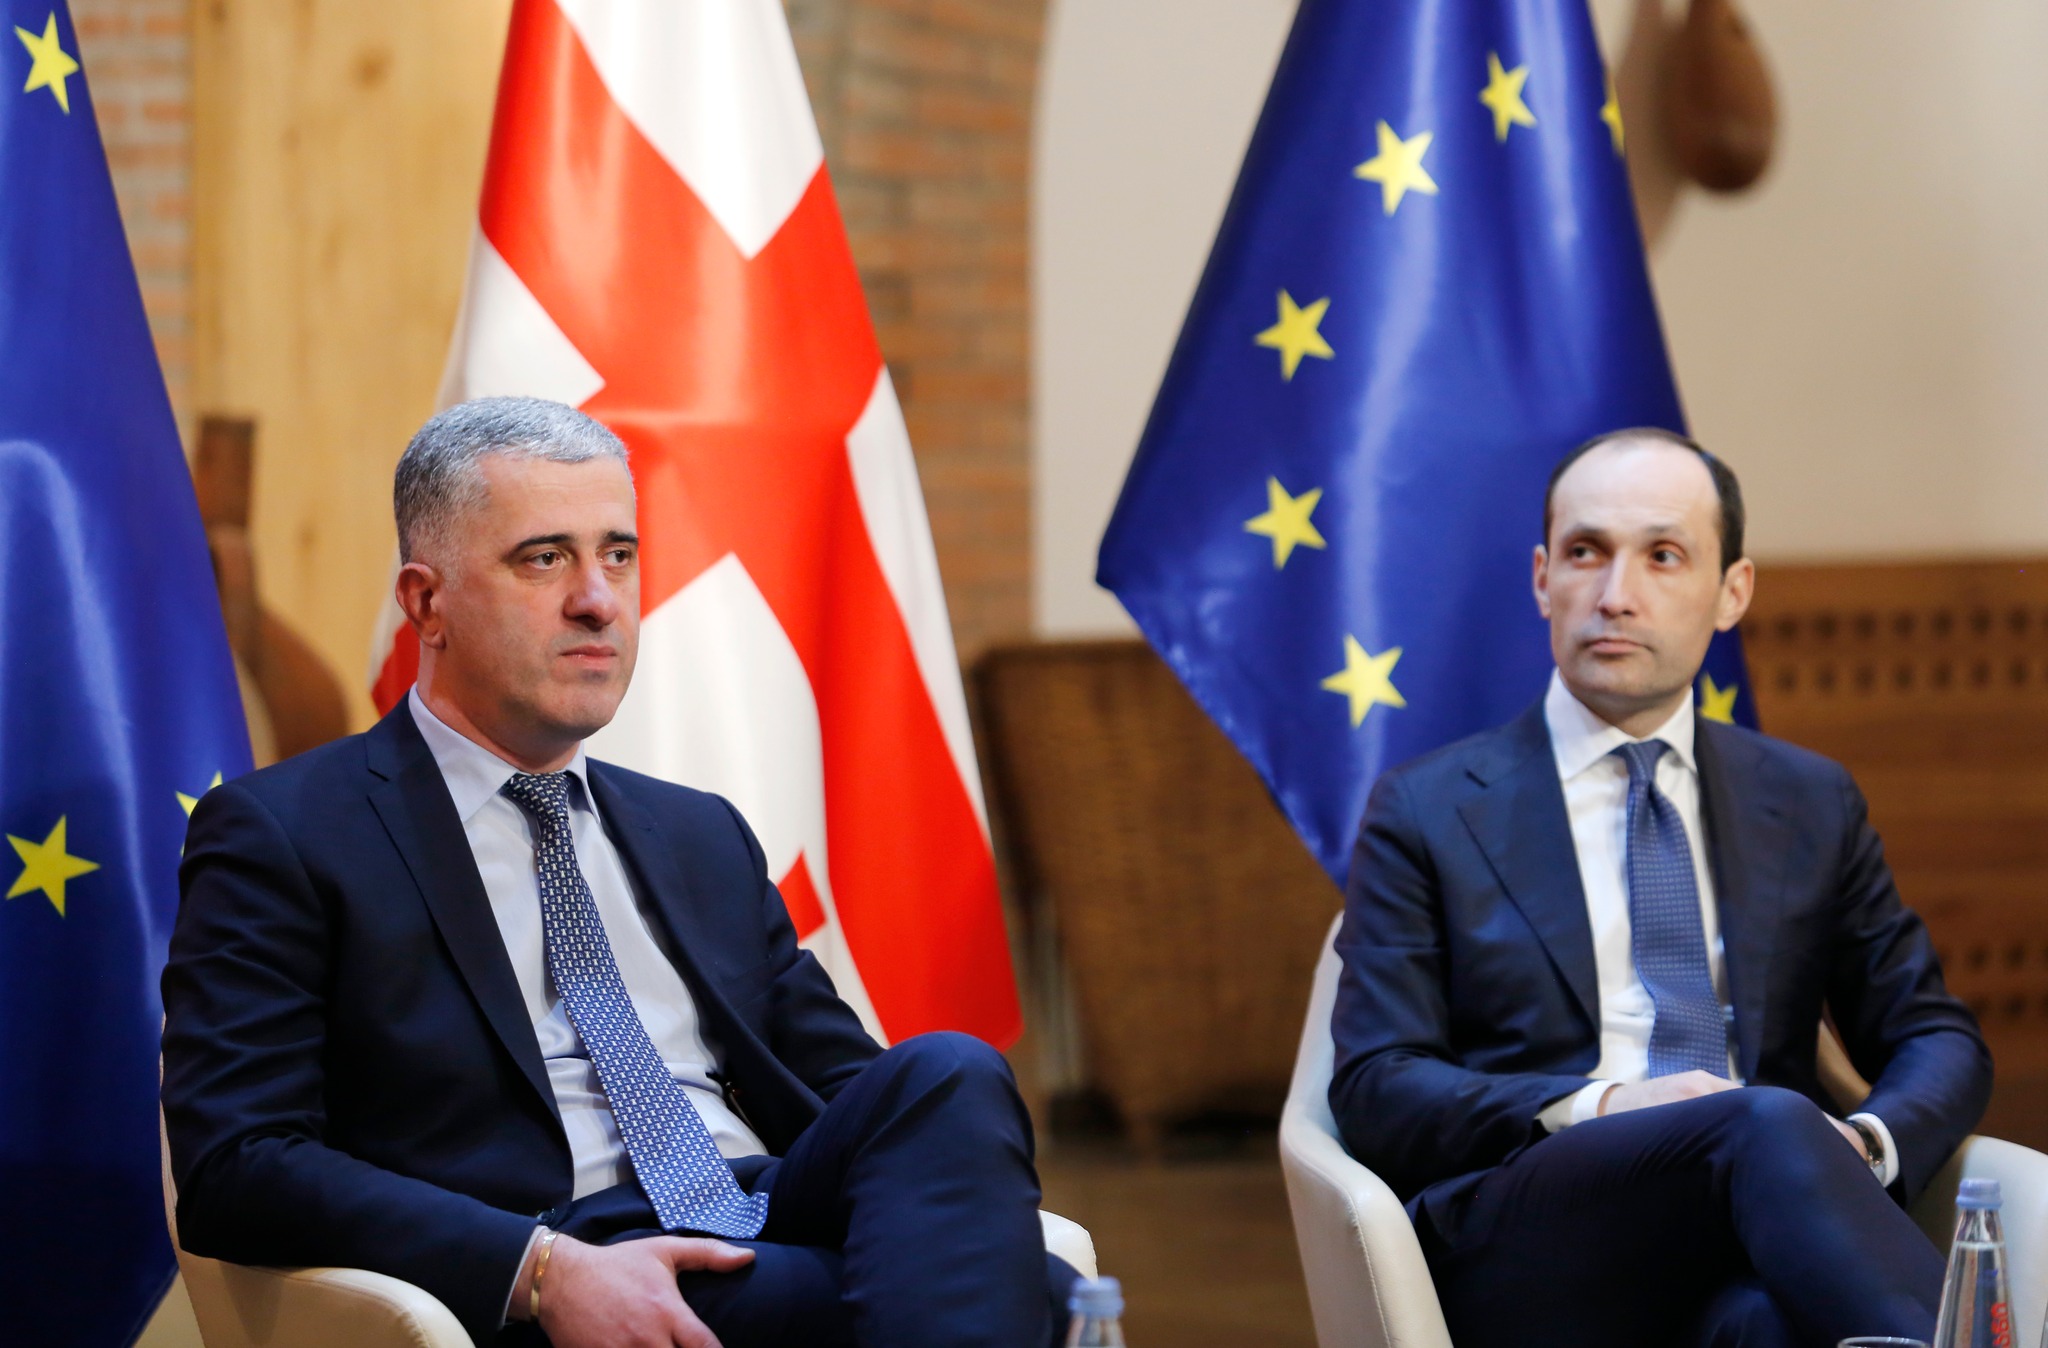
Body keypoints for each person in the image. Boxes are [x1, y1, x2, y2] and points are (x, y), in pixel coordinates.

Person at [162, 397, 1076, 1348]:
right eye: (543, 558)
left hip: (759, 1209)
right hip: (563, 1251)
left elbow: (848, 1092)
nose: (598, 600)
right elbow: (237, 1163)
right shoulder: (289, 832)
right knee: (1039, 1300)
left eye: (620, 555)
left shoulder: (698, 832)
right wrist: (543, 1272)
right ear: (427, 604)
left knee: (949, 1074)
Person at [1329, 427, 1992, 1348]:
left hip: (1762, 1222)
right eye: (1585, 552)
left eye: (1663, 556)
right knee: (1759, 1119)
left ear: (1732, 593)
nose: (1615, 595)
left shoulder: (1807, 800)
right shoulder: (1428, 808)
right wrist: (1601, 1105)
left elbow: (1934, 1036)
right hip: (1532, 1233)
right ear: (1542, 580)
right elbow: (1376, 1084)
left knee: (1764, 1323)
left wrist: (1863, 1144)